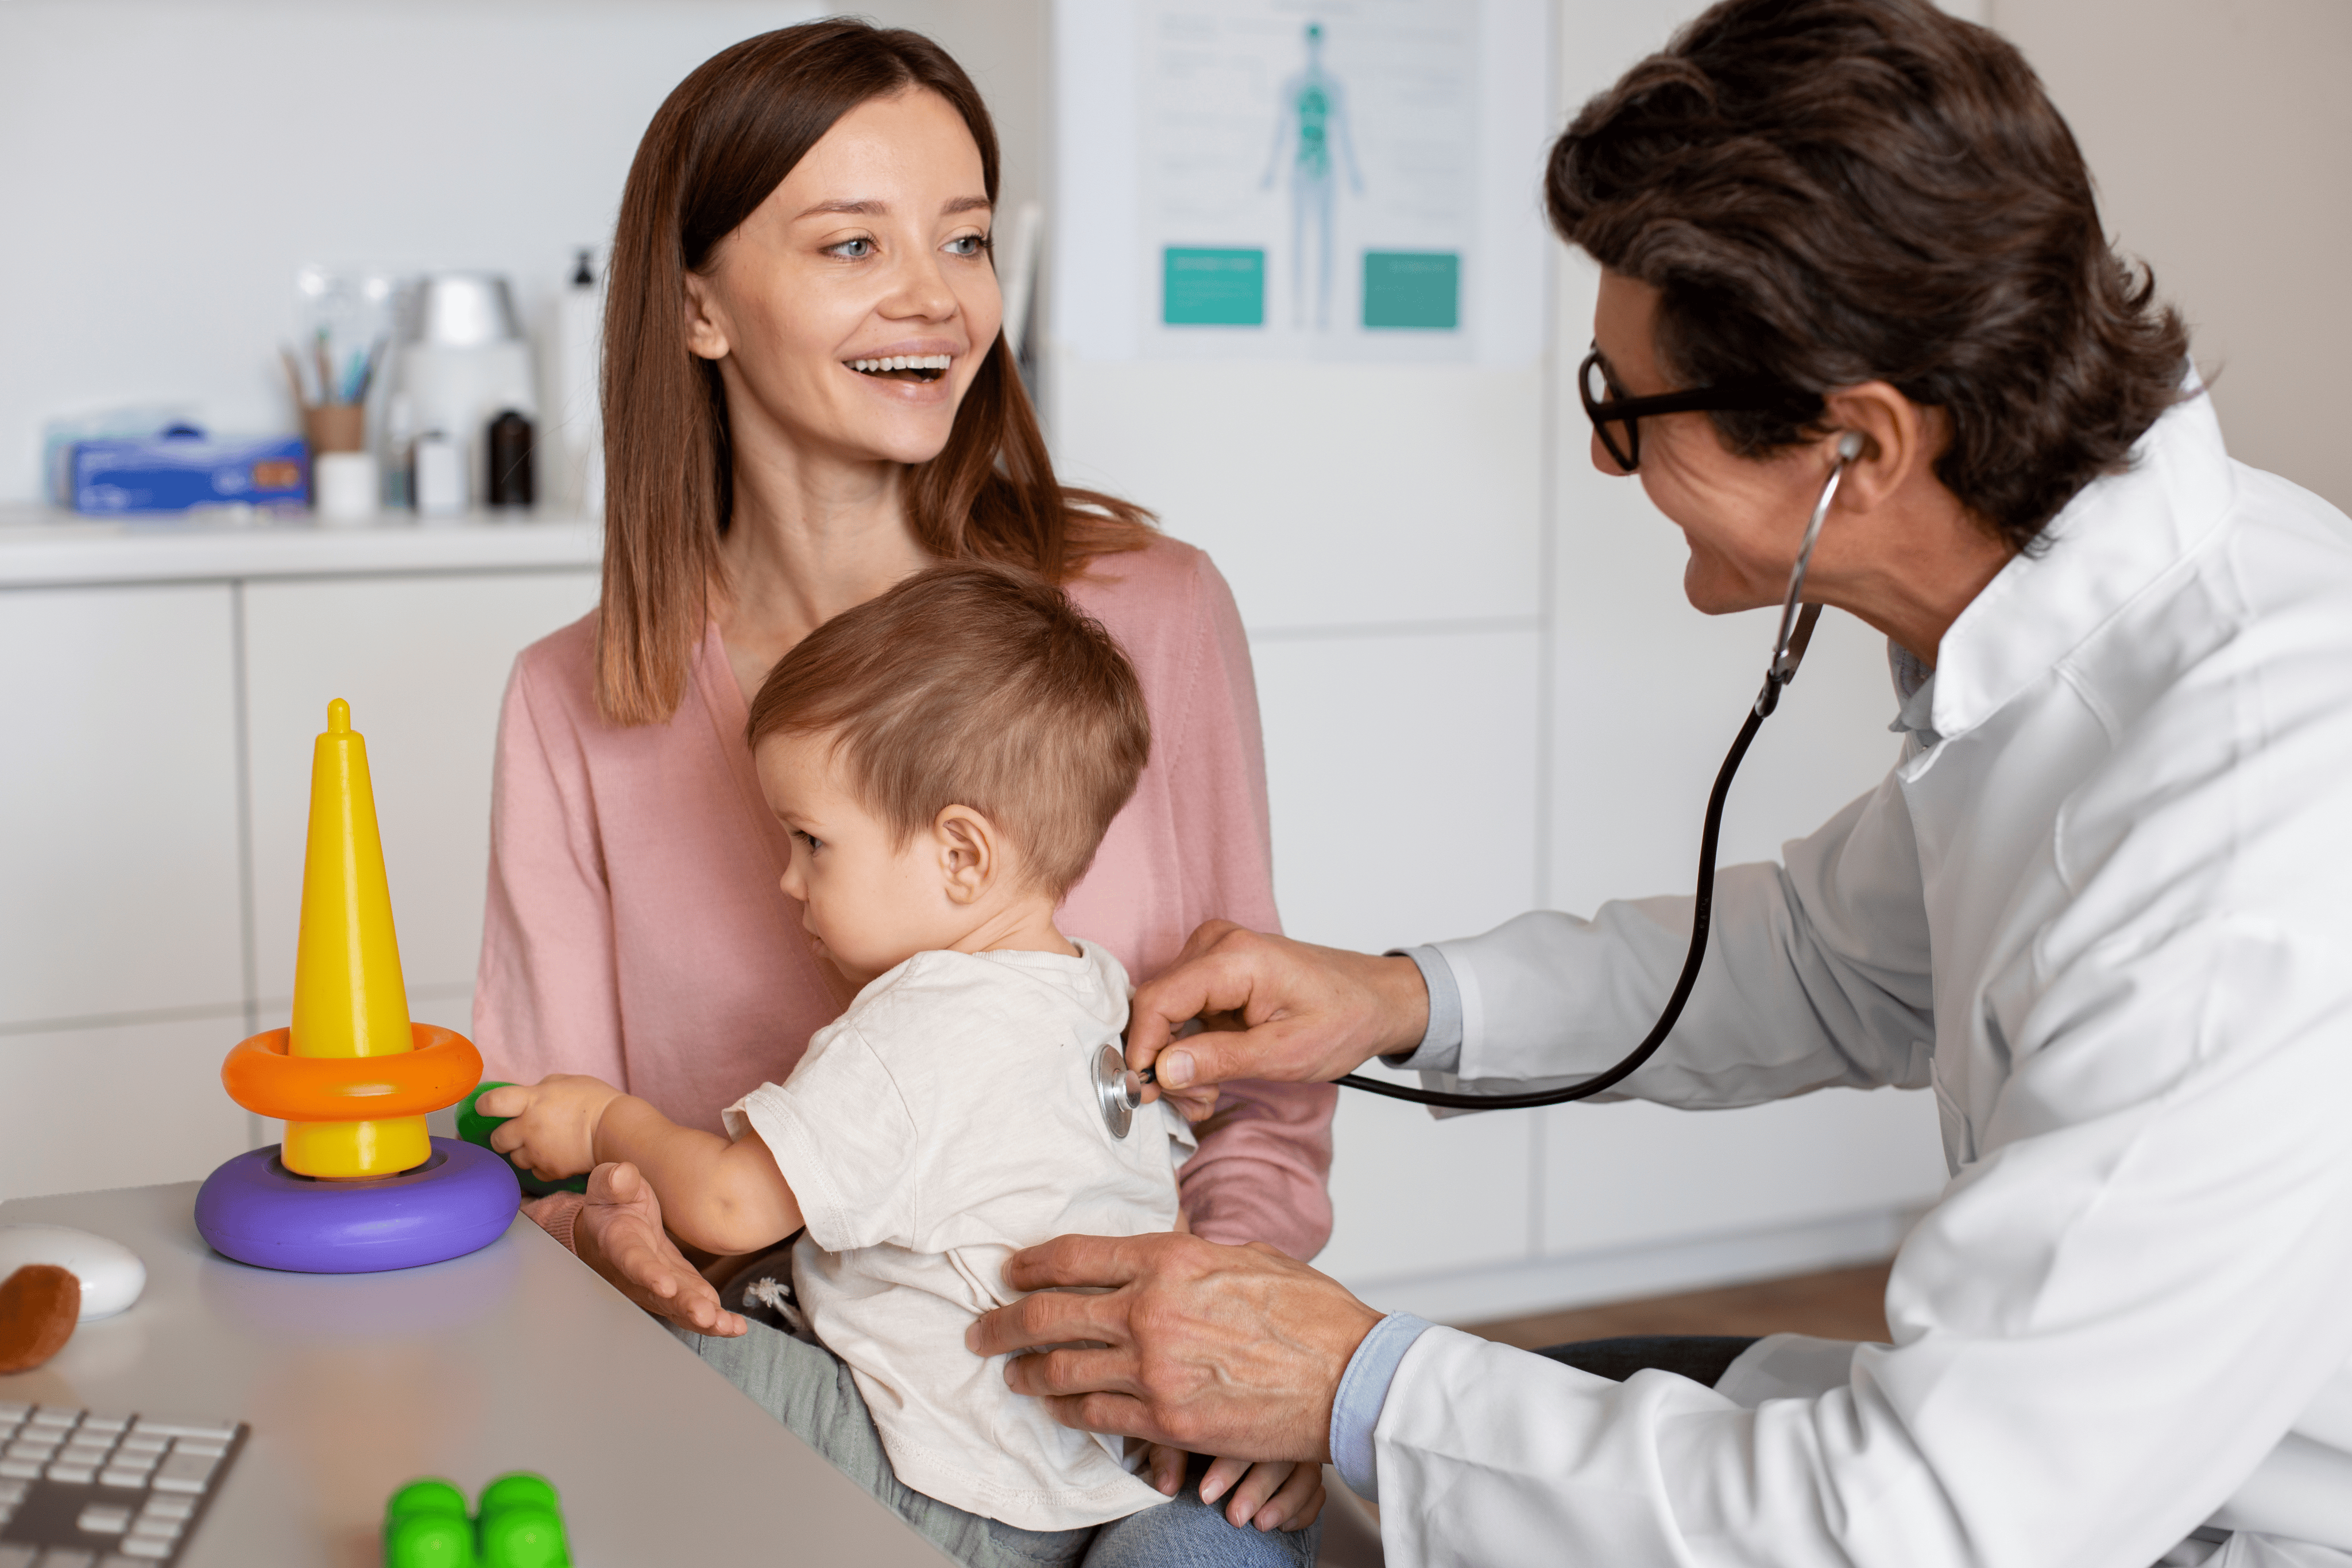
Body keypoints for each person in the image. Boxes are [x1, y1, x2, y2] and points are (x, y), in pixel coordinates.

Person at [964, 3, 2352, 1565]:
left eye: (1630, 413)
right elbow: (1824, 960)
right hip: (2076, 1464)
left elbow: (1930, 1521)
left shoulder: (2243, 840)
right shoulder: (2084, 646)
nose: (1609, 462)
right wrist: (1395, 998)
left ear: (1860, 446)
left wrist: (1344, 1375)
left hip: (2178, 1521)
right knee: (1528, 1421)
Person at [469, 18, 1336, 1376]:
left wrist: (1234, 1322)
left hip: (1121, 1391)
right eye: (852, 244)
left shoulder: (1146, 614)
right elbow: (543, 1140)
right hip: (765, 1392)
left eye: (967, 239)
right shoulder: (574, 700)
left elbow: (1260, 1088)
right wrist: (597, 1235)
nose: (936, 297)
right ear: (697, 305)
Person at [482, 566, 1321, 1567]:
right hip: (1081, 1474)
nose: (786, 880)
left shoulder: (915, 1032)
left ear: (961, 855)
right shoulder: (1099, 995)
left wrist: (604, 1122)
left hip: (942, 1477)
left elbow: (733, 1209)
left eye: (810, 841)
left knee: (647, 1363)